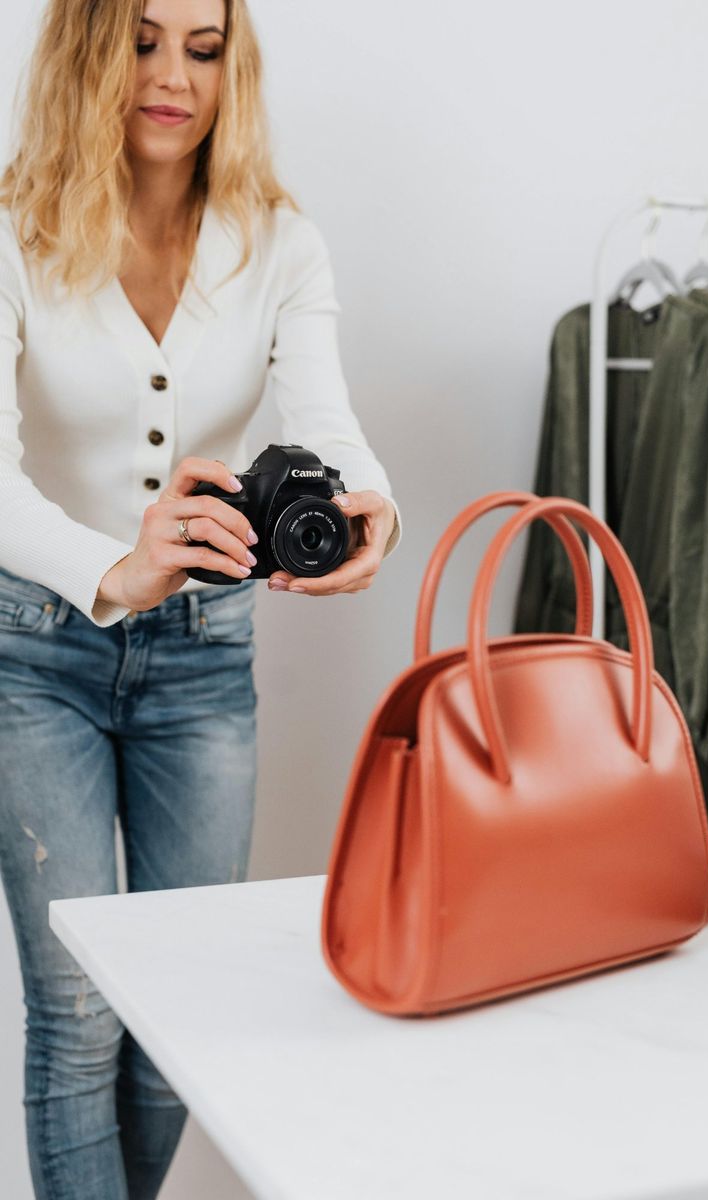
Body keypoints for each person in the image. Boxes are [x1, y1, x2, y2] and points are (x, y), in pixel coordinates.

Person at [0, 1, 401, 1198]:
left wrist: (371, 506)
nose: (172, 73)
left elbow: (325, 420)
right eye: (141, 39)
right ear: (87, 50)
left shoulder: (278, 242)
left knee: (179, 1008)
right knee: (78, 1010)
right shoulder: (14, 229)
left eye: (204, 46)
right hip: (35, 655)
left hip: (203, 657)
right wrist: (116, 569)